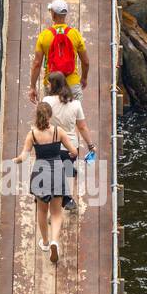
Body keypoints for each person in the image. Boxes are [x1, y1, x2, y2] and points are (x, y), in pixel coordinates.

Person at [12, 102, 77, 263]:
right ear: (50, 116)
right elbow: (74, 151)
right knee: (56, 213)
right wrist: (68, 155)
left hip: (40, 172)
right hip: (56, 171)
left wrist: (16, 160)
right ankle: (55, 240)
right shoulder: (58, 132)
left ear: (37, 116)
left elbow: (24, 156)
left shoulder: (32, 135)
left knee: (41, 211)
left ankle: (46, 243)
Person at [43, 72, 95, 211]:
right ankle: (68, 199)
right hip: (70, 147)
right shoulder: (76, 104)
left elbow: (41, 123)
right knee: (65, 172)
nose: (47, 85)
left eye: (49, 83)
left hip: (51, 145)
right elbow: (82, 127)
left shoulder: (46, 101)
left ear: (53, 85)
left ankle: (59, 206)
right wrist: (90, 145)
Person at [29, 0, 89, 105]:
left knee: (51, 118)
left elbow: (37, 64)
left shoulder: (44, 35)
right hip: (72, 84)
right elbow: (86, 62)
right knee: (75, 117)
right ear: (65, 15)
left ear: (53, 15)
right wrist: (83, 78)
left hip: (52, 85)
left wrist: (33, 87)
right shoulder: (75, 34)